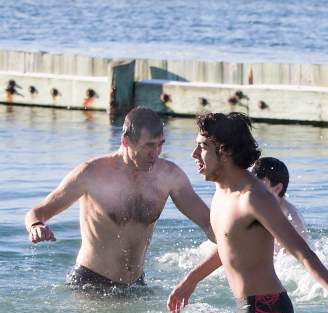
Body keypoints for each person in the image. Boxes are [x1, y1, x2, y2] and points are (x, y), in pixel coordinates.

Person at [166, 112, 328, 313]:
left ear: (224, 151)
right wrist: (190, 280)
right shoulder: (221, 191)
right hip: (246, 307)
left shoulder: (254, 197)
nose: (194, 154)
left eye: (202, 146)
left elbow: (301, 251)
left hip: (269, 310)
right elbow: (231, 244)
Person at [23, 107, 214, 290]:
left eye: (160, 145)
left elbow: (207, 222)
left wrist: (237, 245)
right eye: (148, 146)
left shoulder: (169, 175)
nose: (155, 154)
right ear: (126, 141)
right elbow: (38, 212)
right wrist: (35, 226)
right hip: (90, 283)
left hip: (137, 284)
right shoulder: (91, 174)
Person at [251, 157, 307, 251]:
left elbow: (304, 255)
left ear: (277, 189)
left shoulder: (291, 218)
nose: (253, 190)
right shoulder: (252, 207)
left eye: (259, 186)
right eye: (252, 183)